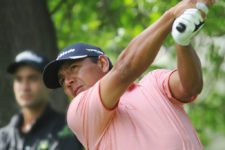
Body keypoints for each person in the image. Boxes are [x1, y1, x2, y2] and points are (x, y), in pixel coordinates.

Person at [43, 0, 214, 149]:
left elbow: (190, 87)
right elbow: (125, 69)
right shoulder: (79, 112)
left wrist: (182, 40)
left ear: (102, 63)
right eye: (62, 79)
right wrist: (172, 15)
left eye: (73, 68)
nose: (67, 82)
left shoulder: (154, 82)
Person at [0, 51, 83, 150]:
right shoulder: (3, 137)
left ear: (48, 84)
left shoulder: (68, 129)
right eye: (19, 79)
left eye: (32, 78)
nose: (24, 87)